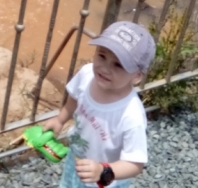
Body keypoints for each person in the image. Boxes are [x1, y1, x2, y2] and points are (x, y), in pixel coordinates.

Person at [43, 21, 156, 188]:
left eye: (118, 64)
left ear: (137, 76)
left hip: (105, 179)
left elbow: (135, 164)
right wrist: (60, 119)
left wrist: (103, 171)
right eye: (102, 56)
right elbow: (74, 98)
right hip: (77, 159)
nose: (105, 68)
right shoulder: (87, 74)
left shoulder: (131, 115)